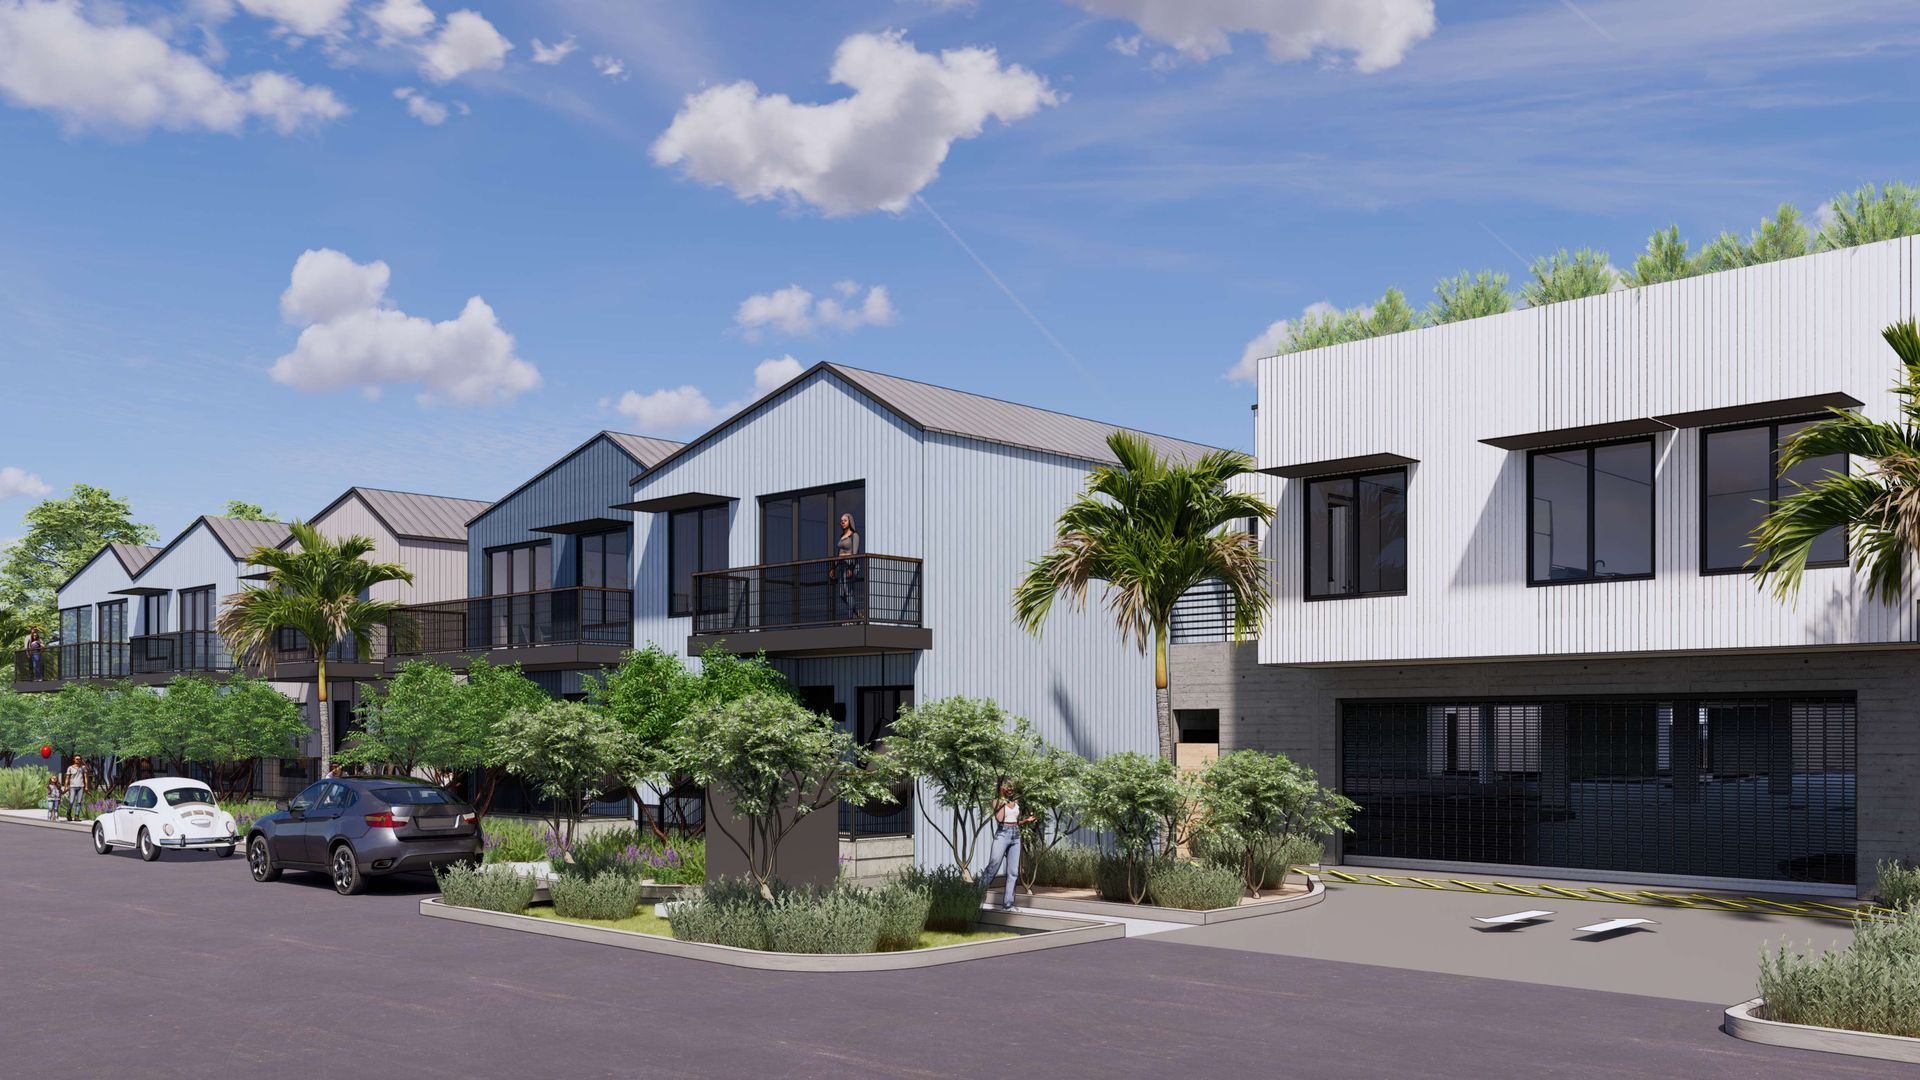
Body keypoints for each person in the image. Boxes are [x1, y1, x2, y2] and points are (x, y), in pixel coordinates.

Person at [979, 778, 1034, 911]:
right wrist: (1003, 801)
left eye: (1012, 788)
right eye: (1008, 788)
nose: (1011, 790)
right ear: (1001, 788)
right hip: (1002, 834)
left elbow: (1014, 821)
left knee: (1013, 872)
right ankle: (974, 896)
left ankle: (1008, 905)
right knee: (993, 865)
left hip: (1015, 835)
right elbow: (1000, 819)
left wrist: (1026, 820)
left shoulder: (1016, 801)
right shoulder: (996, 801)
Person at [830, 513, 862, 619]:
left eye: (845, 520)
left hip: (850, 565)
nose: (842, 522)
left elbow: (855, 552)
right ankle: (857, 613)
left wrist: (851, 568)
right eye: (841, 521)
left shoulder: (854, 535)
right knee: (841, 594)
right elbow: (838, 552)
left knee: (848, 592)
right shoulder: (841, 537)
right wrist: (833, 568)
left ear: (850, 521)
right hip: (841, 565)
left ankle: (850, 618)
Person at [63, 756, 87, 822]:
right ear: (74, 760)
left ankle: (76, 816)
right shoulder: (70, 768)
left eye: (79, 759)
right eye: (77, 759)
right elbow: (67, 777)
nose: (78, 760)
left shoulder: (83, 767)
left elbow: (85, 777)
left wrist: (86, 786)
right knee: (71, 801)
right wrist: (65, 786)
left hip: (81, 786)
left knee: (79, 802)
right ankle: (68, 814)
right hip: (72, 786)